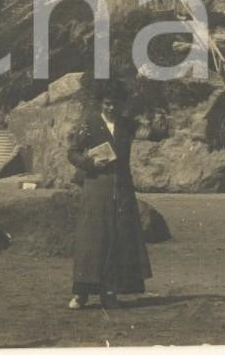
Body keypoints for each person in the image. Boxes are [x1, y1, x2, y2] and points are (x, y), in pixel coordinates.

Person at [67, 81, 152, 310]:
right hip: (96, 186)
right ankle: (81, 293)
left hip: (122, 187)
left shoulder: (126, 125)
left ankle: (110, 292)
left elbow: (153, 133)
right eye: (107, 104)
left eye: (115, 104)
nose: (111, 108)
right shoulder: (89, 124)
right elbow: (73, 153)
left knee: (119, 239)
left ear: (121, 104)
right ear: (100, 103)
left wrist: (159, 119)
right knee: (91, 240)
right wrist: (90, 163)